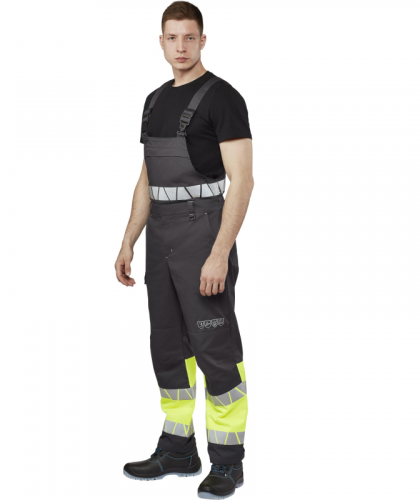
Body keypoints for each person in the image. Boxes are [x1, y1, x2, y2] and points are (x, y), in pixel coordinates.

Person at [115, 2, 254, 497]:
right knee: (168, 347)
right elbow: (147, 178)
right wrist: (129, 239)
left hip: (203, 234)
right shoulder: (154, 101)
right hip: (160, 237)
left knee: (215, 349)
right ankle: (178, 448)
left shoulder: (223, 98)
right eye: (172, 37)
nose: (180, 46)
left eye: (189, 37)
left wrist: (219, 253)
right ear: (161, 42)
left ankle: (228, 462)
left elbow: (242, 181)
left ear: (202, 40)